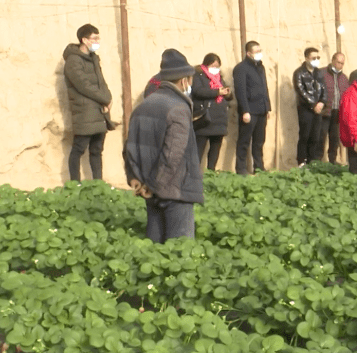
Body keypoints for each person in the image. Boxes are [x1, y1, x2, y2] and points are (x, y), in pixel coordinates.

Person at [123, 49, 204, 242]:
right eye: (191, 79)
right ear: (184, 80)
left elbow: (130, 147)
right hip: (176, 191)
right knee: (180, 252)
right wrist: (155, 185)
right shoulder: (179, 108)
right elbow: (173, 155)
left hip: (149, 191)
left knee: (155, 251)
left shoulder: (144, 105)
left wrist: (134, 177)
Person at [62, 24, 114, 182]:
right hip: (85, 112)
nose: (97, 41)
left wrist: (109, 98)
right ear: (84, 40)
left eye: (98, 38)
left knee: (97, 150)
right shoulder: (73, 61)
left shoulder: (94, 58)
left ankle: (98, 184)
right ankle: (74, 184)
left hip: (99, 111)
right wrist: (104, 99)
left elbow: (101, 82)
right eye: (94, 38)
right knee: (78, 149)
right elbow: (83, 85)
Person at [233, 40, 271, 175]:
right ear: (248, 53)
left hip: (261, 110)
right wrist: (245, 110)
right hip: (250, 111)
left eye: (260, 51)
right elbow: (241, 91)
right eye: (256, 52)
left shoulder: (261, 67)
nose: (259, 54)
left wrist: (268, 107)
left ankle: (259, 167)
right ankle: (241, 169)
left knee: (259, 141)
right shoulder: (241, 68)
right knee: (244, 141)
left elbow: (264, 88)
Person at [191, 53, 233, 170]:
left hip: (219, 119)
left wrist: (228, 93)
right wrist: (217, 92)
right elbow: (198, 91)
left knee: (215, 149)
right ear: (206, 64)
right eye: (213, 66)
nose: (215, 69)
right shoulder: (198, 75)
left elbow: (227, 95)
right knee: (199, 149)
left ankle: (211, 172)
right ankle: (195, 174)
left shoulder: (219, 78)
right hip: (205, 119)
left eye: (217, 66)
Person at [293, 47, 327, 166]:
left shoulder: (319, 72)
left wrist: (322, 102)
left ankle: (312, 161)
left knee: (315, 136)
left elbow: (324, 89)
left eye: (318, 57)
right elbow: (301, 91)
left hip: (318, 109)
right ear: (307, 58)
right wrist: (313, 105)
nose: (316, 60)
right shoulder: (299, 73)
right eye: (313, 58)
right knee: (305, 136)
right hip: (305, 110)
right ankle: (302, 161)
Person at [319, 52, 348, 164]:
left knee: (334, 138)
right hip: (324, 111)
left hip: (337, 113)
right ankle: (318, 160)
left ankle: (332, 160)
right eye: (338, 62)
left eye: (342, 63)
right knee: (321, 137)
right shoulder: (322, 73)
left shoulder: (344, 78)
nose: (340, 65)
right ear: (333, 60)